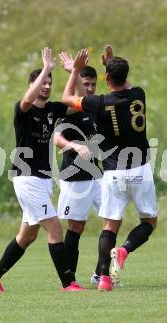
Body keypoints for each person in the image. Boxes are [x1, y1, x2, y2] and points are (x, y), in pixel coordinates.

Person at [0, 47, 81, 293]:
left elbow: (80, 103)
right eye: (43, 82)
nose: (47, 86)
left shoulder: (53, 110)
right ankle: (68, 283)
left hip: (43, 179)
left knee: (26, 237)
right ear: (33, 84)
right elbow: (27, 100)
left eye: (49, 82)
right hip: (27, 179)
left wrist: (75, 73)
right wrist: (46, 68)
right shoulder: (23, 109)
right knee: (55, 228)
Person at [61, 45, 157, 291]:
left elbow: (66, 99)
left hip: (113, 172)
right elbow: (124, 84)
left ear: (105, 79)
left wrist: (75, 71)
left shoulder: (99, 103)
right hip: (140, 169)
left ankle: (103, 279)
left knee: (109, 227)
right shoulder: (139, 94)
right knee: (149, 223)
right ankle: (124, 250)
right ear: (126, 76)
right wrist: (111, 64)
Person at [54, 51, 103, 289]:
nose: (91, 88)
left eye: (93, 84)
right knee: (76, 228)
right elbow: (57, 139)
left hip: (97, 176)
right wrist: (73, 145)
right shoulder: (68, 111)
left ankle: (101, 274)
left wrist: (76, 70)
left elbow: (86, 100)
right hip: (75, 177)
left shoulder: (90, 109)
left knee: (113, 219)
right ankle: (69, 279)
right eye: (86, 84)